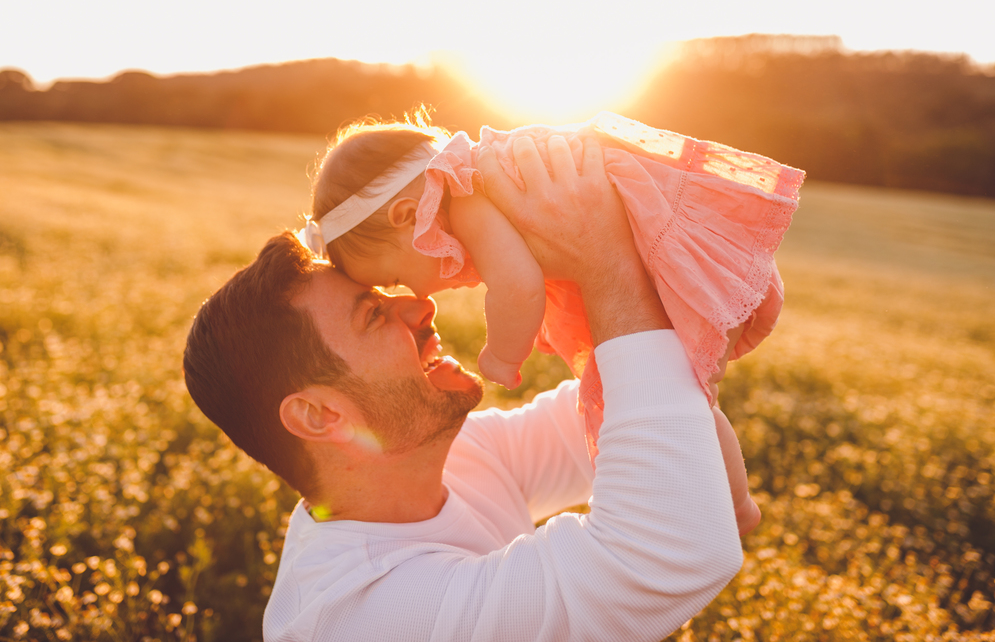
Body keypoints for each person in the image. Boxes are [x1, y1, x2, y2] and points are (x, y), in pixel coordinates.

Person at [183, 135, 744, 641]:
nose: (419, 305)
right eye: (373, 315)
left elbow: (639, 412)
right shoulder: (361, 617)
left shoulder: (456, 455)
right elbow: (670, 553)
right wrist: (603, 255)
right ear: (320, 415)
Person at [303, 112, 804, 535]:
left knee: (676, 397)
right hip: (663, 250)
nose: (416, 296)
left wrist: (502, 354)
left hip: (667, 253)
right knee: (676, 396)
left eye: (395, 278)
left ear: (407, 215)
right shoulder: (474, 184)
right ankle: (723, 505)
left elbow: (517, 287)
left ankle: (733, 507)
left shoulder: (469, 199)